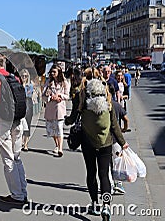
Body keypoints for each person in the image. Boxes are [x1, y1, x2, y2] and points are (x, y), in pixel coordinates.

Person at [78, 76, 128, 219]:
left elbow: (71, 119)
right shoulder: (109, 104)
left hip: (88, 144)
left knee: (91, 174)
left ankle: (94, 204)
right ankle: (106, 206)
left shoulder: (84, 105)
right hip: (106, 144)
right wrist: (123, 142)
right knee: (104, 175)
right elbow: (114, 126)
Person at [0, 52, 28, 204]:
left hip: (3, 120)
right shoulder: (13, 77)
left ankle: (17, 195)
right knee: (17, 157)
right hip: (17, 120)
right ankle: (23, 191)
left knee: (8, 159)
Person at [42, 64, 69, 157]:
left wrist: (60, 95)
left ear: (59, 73)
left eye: (55, 72)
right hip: (50, 109)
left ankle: (60, 148)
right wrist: (50, 97)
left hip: (59, 109)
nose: (53, 73)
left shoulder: (64, 82)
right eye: (52, 72)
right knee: (51, 130)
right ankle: (57, 144)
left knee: (59, 128)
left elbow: (67, 95)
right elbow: (43, 96)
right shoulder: (48, 82)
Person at [19, 68, 34, 151]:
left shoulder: (30, 85)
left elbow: (28, 95)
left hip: (28, 104)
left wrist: (24, 86)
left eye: (25, 76)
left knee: (27, 124)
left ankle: (25, 143)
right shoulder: (18, 84)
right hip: (21, 104)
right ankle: (20, 141)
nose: (24, 77)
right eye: (22, 76)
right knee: (20, 124)